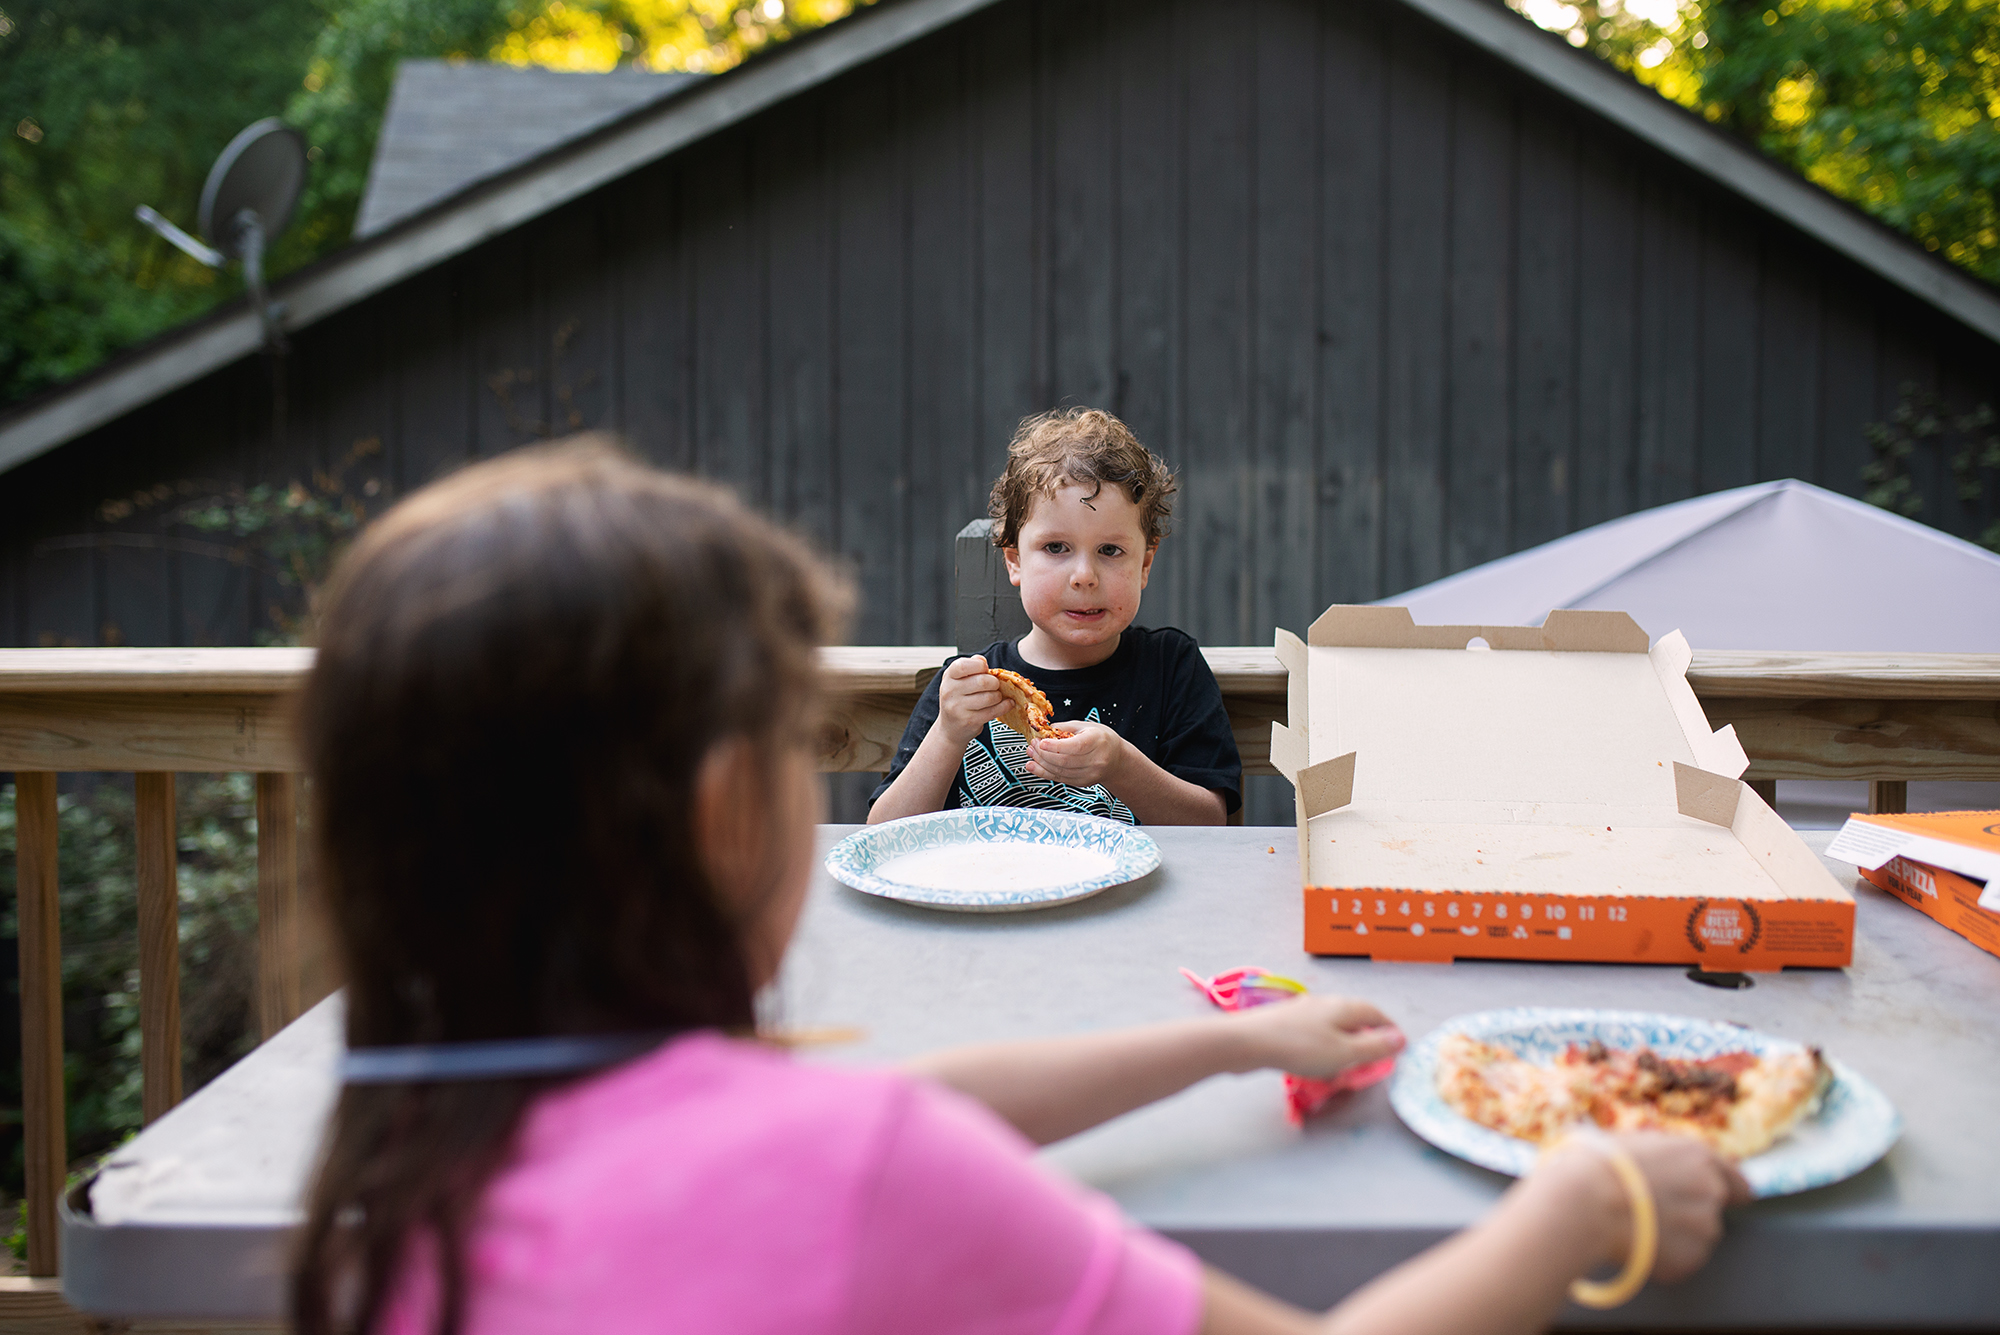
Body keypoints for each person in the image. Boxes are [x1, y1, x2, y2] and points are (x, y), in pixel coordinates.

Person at [291, 438, 1747, 1335]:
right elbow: (877, 1156)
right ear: (736, 811)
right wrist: (1581, 1207)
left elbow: (890, 1121)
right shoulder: (855, 1179)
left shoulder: (398, 1164)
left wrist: (1228, 1039)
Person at [871, 408, 1240, 826]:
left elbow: (1212, 823)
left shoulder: (1172, 667)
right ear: (1014, 561)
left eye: (1110, 550)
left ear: (1145, 565)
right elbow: (884, 831)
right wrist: (948, 734)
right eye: (1056, 548)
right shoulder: (970, 685)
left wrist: (1122, 766)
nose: (1084, 576)